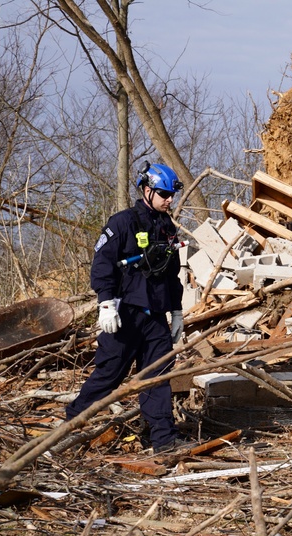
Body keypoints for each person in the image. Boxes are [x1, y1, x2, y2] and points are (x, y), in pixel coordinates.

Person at [66, 162, 187, 453]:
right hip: (124, 316)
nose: (169, 200)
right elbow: (102, 264)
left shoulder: (168, 227)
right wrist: (105, 303)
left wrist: (177, 311)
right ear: (147, 190)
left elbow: (171, 274)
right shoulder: (122, 223)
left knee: (157, 377)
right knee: (108, 376)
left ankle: (164, 441)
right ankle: (67, 429)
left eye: (172, 195)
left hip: (155, 316)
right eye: (163, 194)